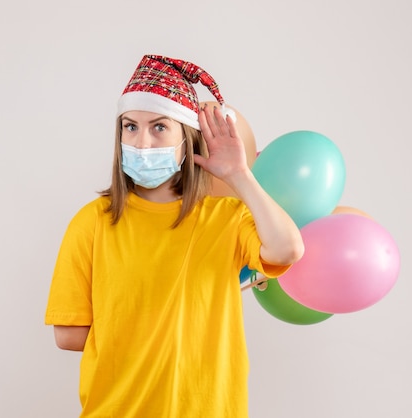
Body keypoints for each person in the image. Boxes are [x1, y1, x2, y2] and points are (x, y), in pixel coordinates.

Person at [45, 54, 304, 417]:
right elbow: (67, 336)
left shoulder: (227, 218)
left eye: (159, 127)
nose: (142, 143)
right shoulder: (90, 223)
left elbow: (287, 249)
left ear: (187, 138)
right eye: (130, 127)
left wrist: (239, 175)